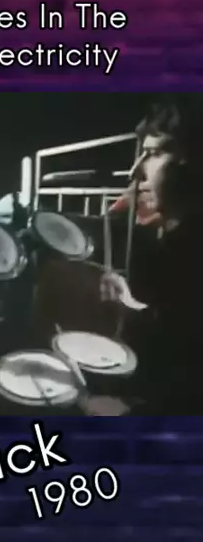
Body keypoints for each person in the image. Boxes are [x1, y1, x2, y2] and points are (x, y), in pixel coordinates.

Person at [85, 102, 203, 415]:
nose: (135, 171)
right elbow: (180, 332)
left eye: (153, 153)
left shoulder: (191, 248)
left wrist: (130, 416)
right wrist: (132, 308)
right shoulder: (178, 242)